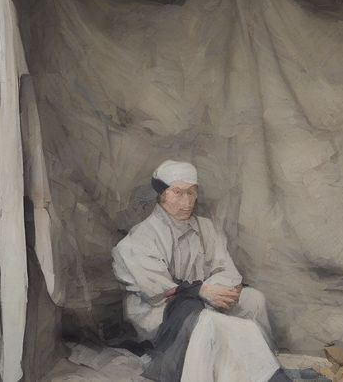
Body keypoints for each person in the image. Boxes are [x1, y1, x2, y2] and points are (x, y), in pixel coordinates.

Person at [112, 160, 291, 382]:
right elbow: (159, 291)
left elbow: (227, 270)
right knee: (218, 323)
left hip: (203, 300)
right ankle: (262, 376)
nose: (187, 202)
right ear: (161, 194)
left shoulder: (206, 227)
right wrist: (203, 292)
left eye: (191, 192)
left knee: (253, 300)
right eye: (178, 192)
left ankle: (258, 366)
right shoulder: (139, 239)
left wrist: (214, 290)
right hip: (162, 316)